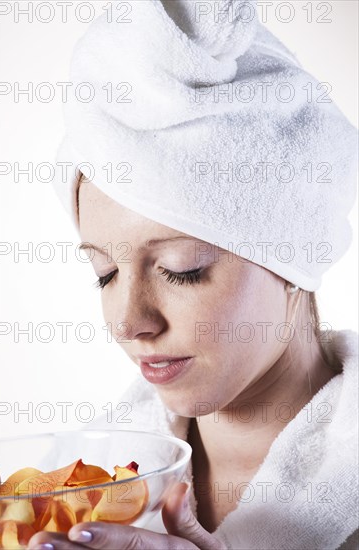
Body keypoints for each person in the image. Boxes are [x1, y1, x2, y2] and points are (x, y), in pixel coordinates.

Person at [28, 1, 358, 548]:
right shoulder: (76, 485)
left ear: (294, 259)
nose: (130, 322)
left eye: (183, 270)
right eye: (104, 274)